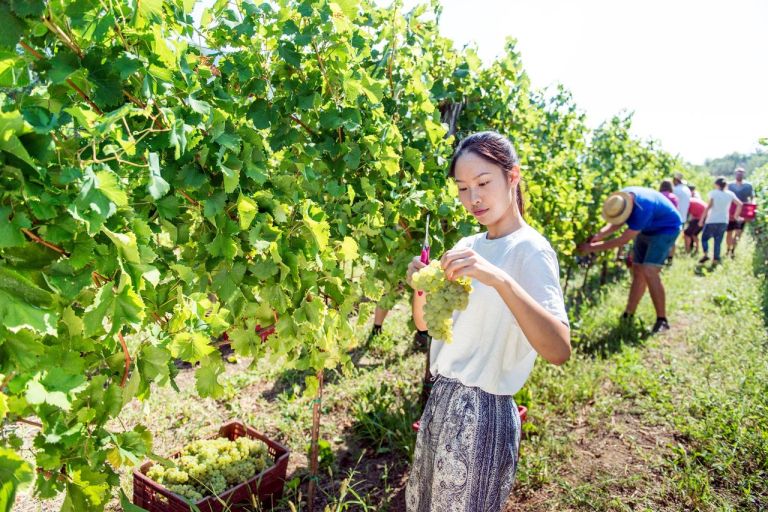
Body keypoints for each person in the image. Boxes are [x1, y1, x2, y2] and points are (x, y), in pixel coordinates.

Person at [405, 131, 571, 511]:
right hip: (441, 401)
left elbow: (559, 350)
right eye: (463, 188)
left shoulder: (531, 250)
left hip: (483, 415)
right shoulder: (466, 247)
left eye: (483, 183)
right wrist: (420, 287)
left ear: (512, 177)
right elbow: (426, 326)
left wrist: (497, 278)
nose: (473, 198)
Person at [577, 187, 682, 334]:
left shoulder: (643, 208)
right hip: (647, 229)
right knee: (638, 270)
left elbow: (622, 240)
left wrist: (591, 248)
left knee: (649, 270)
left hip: (666, 229)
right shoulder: (622, 199)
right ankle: (628, 314)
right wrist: (599, 235)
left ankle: (662, 320)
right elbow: (619, 220)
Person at [700, 176, 742, 264]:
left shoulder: (713, 193)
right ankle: (715, 259)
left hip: (712, 219)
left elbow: (709, 206)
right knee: (718, 241)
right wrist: (735, 216)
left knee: (704, 238)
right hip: (724, 220)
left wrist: (702, 219)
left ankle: (706, 254)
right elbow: (740, 204)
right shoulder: (730, 194)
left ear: (716, 184)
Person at [725, 167, 754, 257]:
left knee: (739, 232)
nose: (739, 175)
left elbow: (752, 198)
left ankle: (733, 249)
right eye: (738, 173)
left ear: (743, 174)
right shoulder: (730, 185)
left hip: (742, 212)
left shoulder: (748, 186)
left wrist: (751, 210)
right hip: (731, 212)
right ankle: (728, 248)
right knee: (729, 232)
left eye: (741, 173)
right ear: (735, 174)